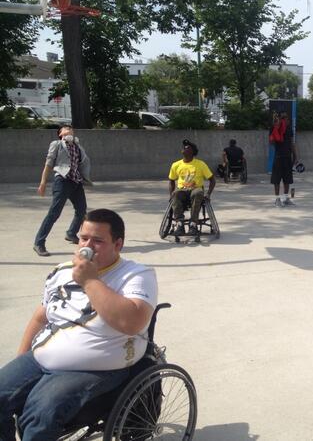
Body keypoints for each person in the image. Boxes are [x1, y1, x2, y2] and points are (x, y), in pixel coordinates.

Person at [0, 209, 158, 440]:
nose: (87, 246)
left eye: (98, 241)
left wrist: (90, 280)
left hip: (96, 368)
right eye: (84, 238)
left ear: (118, 244)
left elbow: (131, 322)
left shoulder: (136, 275)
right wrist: (21, 358)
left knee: (39, 415)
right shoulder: (62, 271)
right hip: (42, 356)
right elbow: (40, 316)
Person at [33, 125, 91, 257]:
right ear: (60, 134)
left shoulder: (78, 146)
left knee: (82, 210)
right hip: (62, 181)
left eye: (71, 128)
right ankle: (39, 242)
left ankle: (71, 233)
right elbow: (49, 163)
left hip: (76, 182)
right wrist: (43, 182)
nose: (69, 129)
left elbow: (82, 163)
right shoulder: (57, 144)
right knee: (54, 213)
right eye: (65, 128)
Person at [168, 139, 216, 236]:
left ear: (192, 152)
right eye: (184, 147)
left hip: (196, 189)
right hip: (182, 190)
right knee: (175, 194)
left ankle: (193, 224)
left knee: (197, 193)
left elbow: (212, 180)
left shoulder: (200, 164)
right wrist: (171, 195)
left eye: (188, 147)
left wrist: (208, 194)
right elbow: (171, 180)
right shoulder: (176, 165)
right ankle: (179, 224)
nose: (185, 148)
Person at [270, 112, 298, 207]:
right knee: (276, 179)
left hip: (287, 157)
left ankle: (286, 198)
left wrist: (295, 155)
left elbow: (291, 143)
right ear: (283, 119)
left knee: (287, 179)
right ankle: (277, 199)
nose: (288, 121)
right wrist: (276, 129)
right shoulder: (274, 128)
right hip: (278, 157)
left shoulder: (289, 129)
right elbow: (272, 142)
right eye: (286, 119)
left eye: (287, 119)